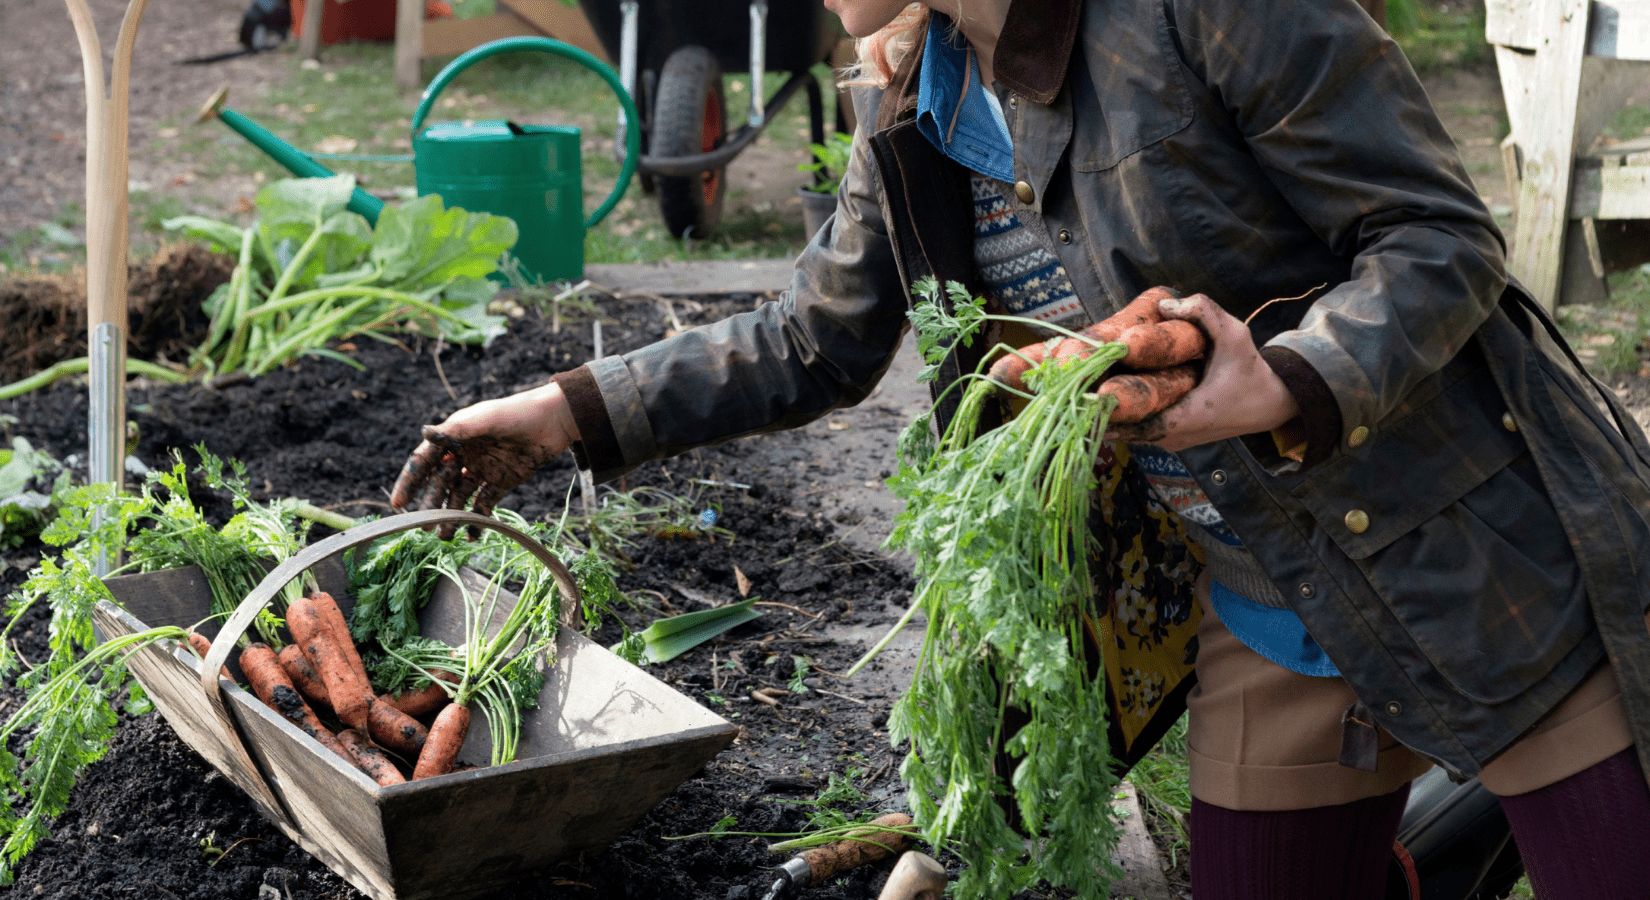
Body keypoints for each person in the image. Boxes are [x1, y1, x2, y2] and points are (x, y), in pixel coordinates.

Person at [390, 1, 1650, 896]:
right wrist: (563, 413)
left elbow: (1439, 238)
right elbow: (813, 340)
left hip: (1467, 562)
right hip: (1260, 596)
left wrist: (1295, 374)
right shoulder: (914, 94)